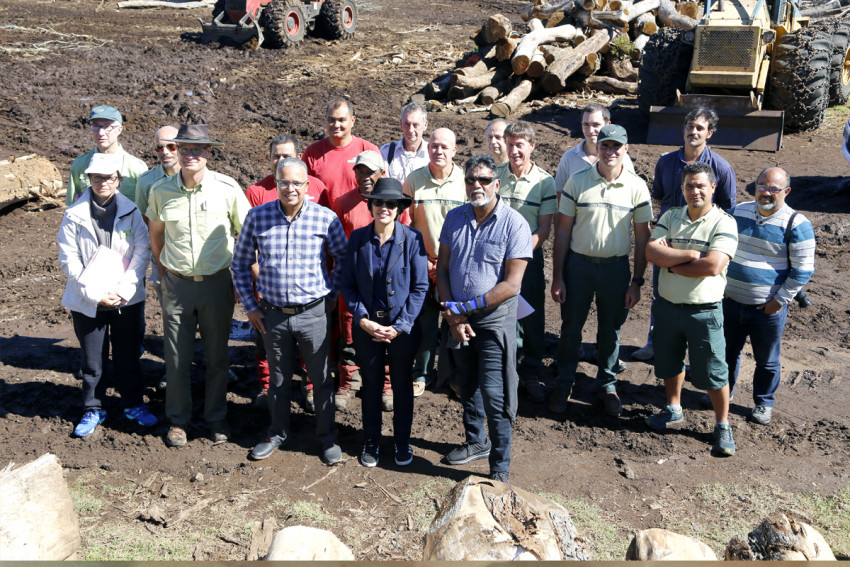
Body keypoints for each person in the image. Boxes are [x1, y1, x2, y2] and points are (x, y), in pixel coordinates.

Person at [232, 157, 348, 465]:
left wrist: (332, 297)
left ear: (307, 186)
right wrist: (251, 306)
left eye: (297, 183)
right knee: (279, 379)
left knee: (322, 380)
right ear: (276, 183)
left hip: (313, 313)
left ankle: (326, 437)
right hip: (273, 314)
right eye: (284, 182)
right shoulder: (257, 217)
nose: (290, 188)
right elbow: (240, 264)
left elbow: (343, 259)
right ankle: (277, 433)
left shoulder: (325, 219)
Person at [146, 124, 251, 447]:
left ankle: (216, 417)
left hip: (217, 284)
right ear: (176, 151)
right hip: (176, 284)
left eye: (197, 149)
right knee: (176, 358)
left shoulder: (227, 188)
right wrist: (165, 274)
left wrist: (238, 279)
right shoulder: (161, 191)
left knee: (218, 357)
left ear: (208, 153)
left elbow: (246, 235)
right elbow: (156, 235)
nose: (190, 155)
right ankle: (178, 420)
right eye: (184, 149)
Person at [438, 154, 532, 484]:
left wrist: (468, 309)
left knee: (496, 393)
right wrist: (452, 312)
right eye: (470, 180)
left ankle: (500, 466)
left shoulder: (515, 223)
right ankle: (476, 441)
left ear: (497, 184)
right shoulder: (454, 218)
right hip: (458, 319)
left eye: (483, 180)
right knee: (465, 385)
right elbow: (444, 268)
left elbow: (511, 285)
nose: (476, 186)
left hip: (494, 323)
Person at [550, 124, 651, 416]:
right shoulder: (578, 181)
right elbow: (562, 233)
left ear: (626, 150)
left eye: (616, 146)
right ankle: (564, 380)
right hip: (578, 266)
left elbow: (643, 237)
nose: (610, 151)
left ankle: (607, 384)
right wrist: (558, 276)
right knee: (571, 327)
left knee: (611, 329)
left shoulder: (636, 186)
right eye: (605, 145)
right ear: (597, 147)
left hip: (615, 269)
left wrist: (637, 281)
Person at [57, 153, 156, 437]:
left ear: (118, 180)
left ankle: (133, 404)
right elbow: (69, 258)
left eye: (109, 177)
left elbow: (141, 251)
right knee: (92, 360)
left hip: (126, 299)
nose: (103, 182)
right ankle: (93, 407)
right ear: (89, 180)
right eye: (97, 177)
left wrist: (123, 290)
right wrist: (95, 293)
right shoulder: (73, 215)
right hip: (87, 299)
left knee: (128, 356)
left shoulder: (131, 211)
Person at [644, 162, 738, 456]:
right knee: (669, 362)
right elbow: (651, 252)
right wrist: (689, 254)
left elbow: (713, 266)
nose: (694, 191)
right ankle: (673, 408)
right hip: (668, 307)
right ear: (682, 189)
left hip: (705, 311)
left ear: (713, 188)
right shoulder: (671, 216)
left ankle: (722, 425)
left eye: (700, 185)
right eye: (688, 186)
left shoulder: (724, 222)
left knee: (713, 370)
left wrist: (672, 263)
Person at [632, 107, 737, 361]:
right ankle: (655, 343)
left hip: (703, 244)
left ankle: (696, 352)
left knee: (700, 296)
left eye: (699, 128)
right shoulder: (666, 162)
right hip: (668, 242)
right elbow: (659, 199)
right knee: (661, 293)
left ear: (709, 133)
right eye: (689, 127)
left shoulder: (721, 168)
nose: (693, 132)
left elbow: (728, 211)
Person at [339, 178, 428, 467]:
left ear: (400, 208)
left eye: (391, 203)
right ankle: (372, 441)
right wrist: (363, 319)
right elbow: (348, 285)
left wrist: (401, 325)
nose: (385, 208)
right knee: (372, 385)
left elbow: (420, 287)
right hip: (367, 328)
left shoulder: (413, 239)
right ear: (371, 205)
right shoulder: (358, 238)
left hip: (402, 330)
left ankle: (402, 442)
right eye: (379, 202)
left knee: (402, 385)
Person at [724, 167, 815, 425]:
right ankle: (723, 394)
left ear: (785, 192)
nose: (766, 192)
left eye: (774, 188)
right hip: (730, 303)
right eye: (762, 185)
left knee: (767, 360)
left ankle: (763, 403)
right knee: (728, 354)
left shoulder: (797, 224)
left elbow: (802, 271)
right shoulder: (737, 212)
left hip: (767, 310)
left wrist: (778, 301)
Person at [244, 134, 330, 408]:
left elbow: (327, 235)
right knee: (265, 342)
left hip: (308, 288)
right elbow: (249, 249)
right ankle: (268, 388)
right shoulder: (257, 192)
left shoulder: (317, 187)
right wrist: (263, 281)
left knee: (311, 345)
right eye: (276, 156)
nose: (281, 160)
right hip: (268, 287)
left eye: (287, 155)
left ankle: (308, 385)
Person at [332, 150, 409, 409]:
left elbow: (406, 236)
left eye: (370, 172)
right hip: (354, 283)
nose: (364, 177)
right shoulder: (343, 203)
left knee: (387, 334)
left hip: (388, 284)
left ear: (381, 173)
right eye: (359, 171)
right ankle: (348, 381)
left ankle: (386, 385)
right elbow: (336, 246)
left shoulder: (394, 203)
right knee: (350, 333)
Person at [403, 128, 467, 397]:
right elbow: (405, 222)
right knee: (426, 322)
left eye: (444, 147)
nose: (438, 151)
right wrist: (420, 260)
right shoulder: (415, 179)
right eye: (434, 146)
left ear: (454, 150)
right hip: (424, 263)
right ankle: (422, 373)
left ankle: (452, 375)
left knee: (455, 320)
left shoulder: (465, 180)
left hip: (456, 265)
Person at [497, 120, 556, 403]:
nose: (514, 151)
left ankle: (531, 371)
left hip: (528, 261)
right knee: (499, 315)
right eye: (510, 145)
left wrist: (518, 256)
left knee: (530, 316)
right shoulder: (495, 176)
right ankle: (503, 369)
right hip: (495, 261)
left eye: (520, 145)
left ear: (531, 146)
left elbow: (543, 230)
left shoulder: (545, 182)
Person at [302, 97, 380, 205]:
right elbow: (304, 188)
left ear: (352, 120)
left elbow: (380, 189)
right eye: (331, 120)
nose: (336, 125)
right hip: (324, 219)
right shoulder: (312, 153)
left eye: (341, 120)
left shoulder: (368, 150)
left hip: (357, 220)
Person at [66, 105, 148, 205]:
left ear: (119, 129)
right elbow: (72, 207)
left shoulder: (137, 168)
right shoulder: (79, 165)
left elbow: (145, 210)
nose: (100, 133)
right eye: (95, 126)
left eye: (107, 127)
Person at [553, 103, 634, 197]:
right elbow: (559, 194)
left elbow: (632, 192)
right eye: (586, 124)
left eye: (596, 125)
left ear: (608, 125)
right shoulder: (569, 158)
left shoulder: (622, 158)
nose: (590, 130)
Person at [380, 102, 430, 183]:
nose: (410, 130)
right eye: (407, 124)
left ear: (425, 125)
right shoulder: (387, 152)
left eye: (415, 125)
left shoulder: (432, 153)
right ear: (401, 124)